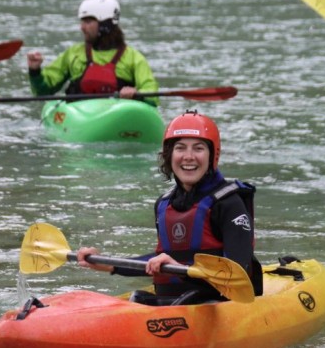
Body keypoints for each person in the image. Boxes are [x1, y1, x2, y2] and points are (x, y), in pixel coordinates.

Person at [76, 111, 262, 305]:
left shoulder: (229, 204)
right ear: (169, 154)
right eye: (180, 148)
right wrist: (107, 264)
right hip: (174, 303)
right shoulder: (164, 204)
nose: (188, 157)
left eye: (198, 148)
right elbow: (157, 261)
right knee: (138, 298)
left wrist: (177, 267)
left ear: (212, 155)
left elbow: (237, 274)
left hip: (217, 303)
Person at [26, 0, 159, 106]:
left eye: (88, 22)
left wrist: (137, 94)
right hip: (79, 116)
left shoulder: (133, 58)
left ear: (105, 25)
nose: (82, 27)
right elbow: (43, 92)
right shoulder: (74, 54)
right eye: (82, 22)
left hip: (119, 115)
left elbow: (152, 94)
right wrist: (35, 71)